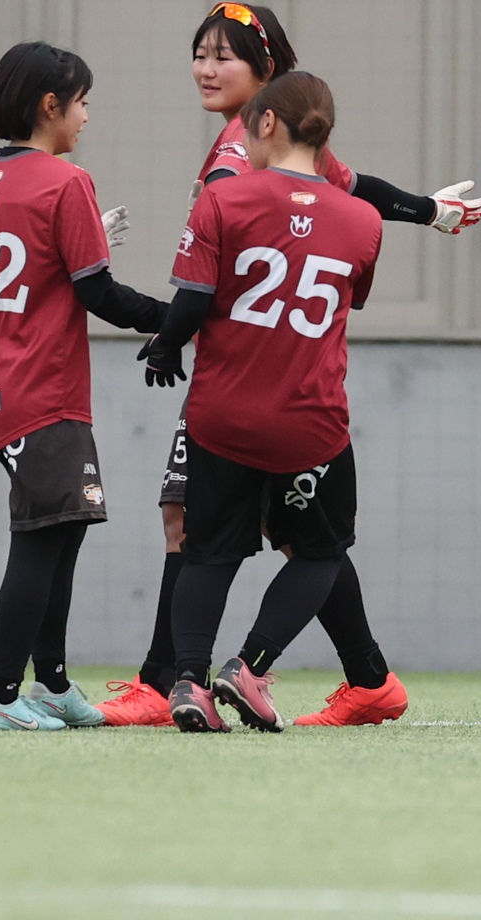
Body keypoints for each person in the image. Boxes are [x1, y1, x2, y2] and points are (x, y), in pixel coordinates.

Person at [100, 1, 481, 729]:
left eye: (224, 57)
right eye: (200, 54)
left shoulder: (240, 158)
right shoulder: (310, 159)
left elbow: (207, 280)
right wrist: (428, 212)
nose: (206, 69)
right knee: (309, 540)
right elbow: (356, 204)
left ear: (267, 84)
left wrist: (163, 332)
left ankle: (170, 680)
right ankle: (361, 677)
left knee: (200, 532)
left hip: (230, 381)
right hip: (299, 398)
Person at [139, 72, 388, 732]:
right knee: (321, 551)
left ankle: (187, 682)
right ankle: (248, 667)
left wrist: (165, 347)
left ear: (268, 123)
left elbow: (193, 299)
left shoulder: (223, 199)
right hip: (309, 419)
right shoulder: (363, 220)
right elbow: (343, 296)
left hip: (222, 414)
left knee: (207, 553)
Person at [0, 43, 170, 730]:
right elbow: (99, 294)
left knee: (63, 530)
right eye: (81, 102)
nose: (86, 116)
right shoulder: (65, 181)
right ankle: (1, 697)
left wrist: (88, 237)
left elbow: (35, 270)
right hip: (42, 388)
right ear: (49, 105)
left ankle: (51, 683)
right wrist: (180, 319)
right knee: (39, 541)